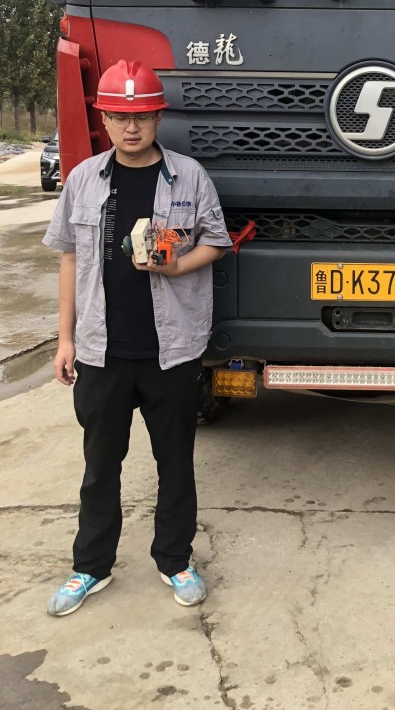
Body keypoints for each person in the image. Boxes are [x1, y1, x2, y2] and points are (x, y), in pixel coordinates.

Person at [43, 60, 231, 616]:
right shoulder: (83, 179)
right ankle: (90, 567)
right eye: (120, 116)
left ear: (157, 118)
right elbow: (69, 259)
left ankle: (175, 560)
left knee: (176, 464)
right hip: (101, 351)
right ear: (103, 118)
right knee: (101, 466)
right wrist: (64, 339)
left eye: (143, 116)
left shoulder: (188, 176)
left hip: (171, 352)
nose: (131, 127)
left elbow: (216, 241)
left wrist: (177, 266)